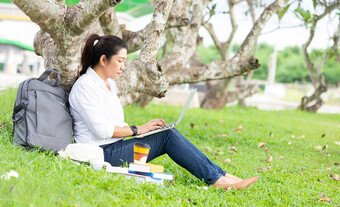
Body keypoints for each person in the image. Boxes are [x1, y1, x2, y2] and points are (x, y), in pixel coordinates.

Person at [69, 34, 259, 190]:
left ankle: (222, 175)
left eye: (125, 61)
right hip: (101, 154)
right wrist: (138, 130)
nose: (123, 67)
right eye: (120, 61)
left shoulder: (109, 85)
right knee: (167, 136)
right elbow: (101, 130)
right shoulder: (85, 86)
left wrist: (147, 129)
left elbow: (114, 123)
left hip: (114, 147)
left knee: (165, 132)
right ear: (103, 60)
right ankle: (218, 180)